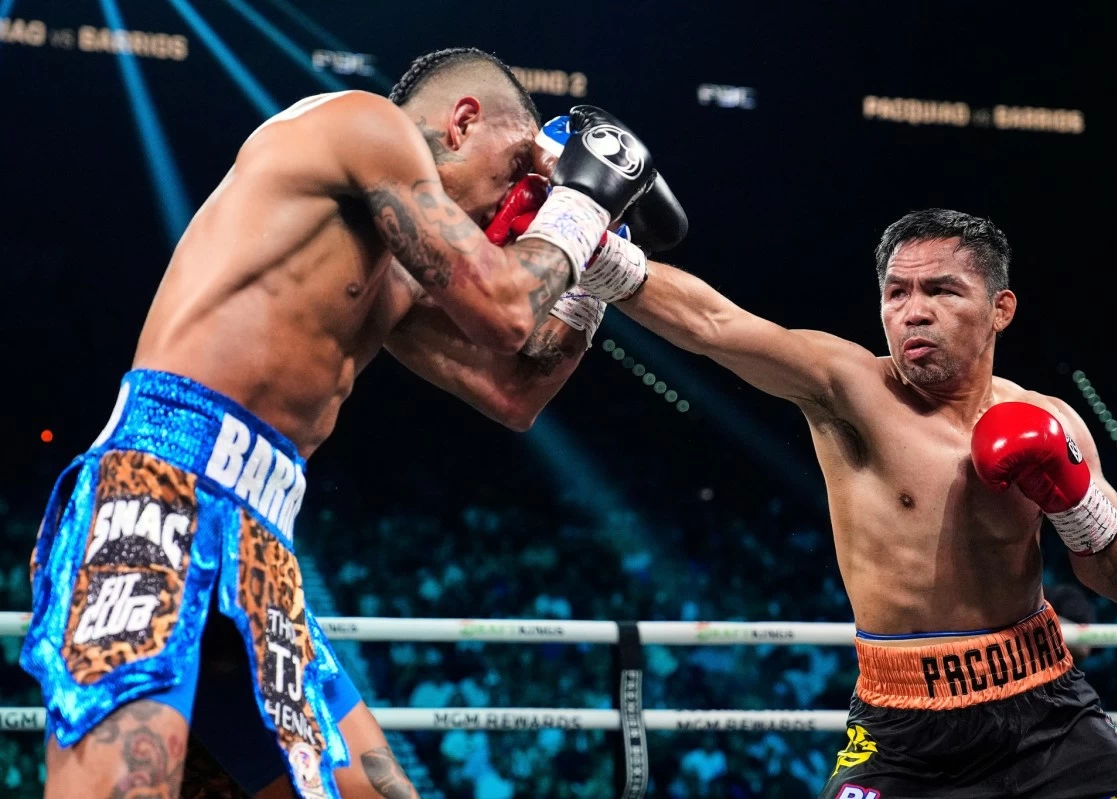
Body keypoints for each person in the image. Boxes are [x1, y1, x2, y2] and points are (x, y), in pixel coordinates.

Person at [20, 47, 663, 799]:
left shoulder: (391, 273)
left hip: (260, 540)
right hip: (158, 489)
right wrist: (578, 204)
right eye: (519, 167)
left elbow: (515, 391)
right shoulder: (364, 123)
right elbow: (505, 307)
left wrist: (588, 270)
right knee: (129, 785)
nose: (516, 200)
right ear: (462, 122)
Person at [600, 208, 1117, 796]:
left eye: (942, 290)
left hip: (1048, 709)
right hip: (903, 731)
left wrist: (1074, 501)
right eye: (897, 293)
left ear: (1000, 309)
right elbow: (714, 323)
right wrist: (597, 252)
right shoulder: (850, 388)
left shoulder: (1051, 418)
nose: (913, 311)